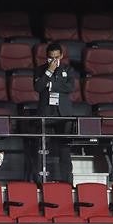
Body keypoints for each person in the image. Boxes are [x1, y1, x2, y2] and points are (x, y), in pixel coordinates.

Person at [33, 43, 75, 183]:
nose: (54, 60)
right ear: (47, 57)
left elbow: (70, 87)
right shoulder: (40, 70)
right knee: (42, 149)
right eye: (51, 58)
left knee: (64, 150)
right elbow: (38, 87)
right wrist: (49, 72)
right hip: (46, 113)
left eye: (56, 57)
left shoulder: (68, 69)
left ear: (61, 56)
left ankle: (66, 182)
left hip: (63, 114)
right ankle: (40, 181)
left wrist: (51, 85)